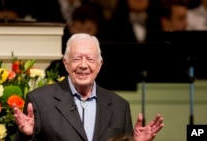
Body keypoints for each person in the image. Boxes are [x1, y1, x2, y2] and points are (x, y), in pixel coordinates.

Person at [13, 33, 164, 141]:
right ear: (66, 63)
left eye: (90, 59)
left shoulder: (119, 106)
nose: (83, 65)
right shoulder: (40, 100)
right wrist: (26, 135)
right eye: (77, 58)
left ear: (99, 65)